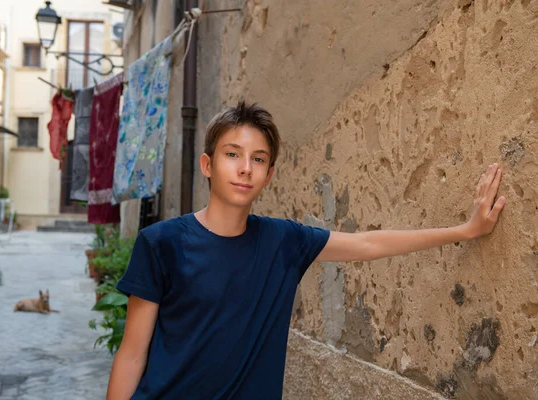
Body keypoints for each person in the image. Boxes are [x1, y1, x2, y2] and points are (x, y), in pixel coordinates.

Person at [106, 102, 506, 399]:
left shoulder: (283, 242)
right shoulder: (161, 243)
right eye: (233, 154)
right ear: (208, 165)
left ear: (269, 174)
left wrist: (466, 230)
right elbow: (131, 354)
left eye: (258, 159)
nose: (245, 168)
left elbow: (369, 243)